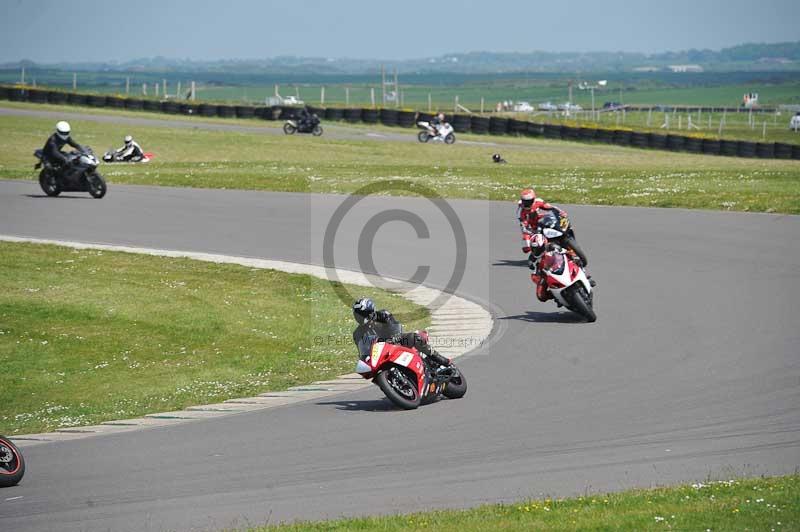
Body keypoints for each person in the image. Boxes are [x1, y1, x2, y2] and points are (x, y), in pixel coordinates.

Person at [351, 297, 451, 369]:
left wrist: (394, 337)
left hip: (397, 341)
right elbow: (363, 351)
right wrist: (364, 359)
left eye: (363, 315)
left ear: (370, 312)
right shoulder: (358, 333)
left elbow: (395, 326)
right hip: (382, 354)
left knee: (414, 337)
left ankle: (438, 358)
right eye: (358, 315)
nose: (361, 318)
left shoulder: (383, 315)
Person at [516, 188, 566, 253]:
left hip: (544, 221)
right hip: (533, 229)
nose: (527, 203)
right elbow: (523, 226)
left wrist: (561, 212)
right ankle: (539, 253)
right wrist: (529, 233)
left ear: (533, 199)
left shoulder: (538, 202)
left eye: (529, 201)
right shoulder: (520, 210)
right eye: (525, 201)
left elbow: (550, 207)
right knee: (528, 245)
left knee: (560, 228)